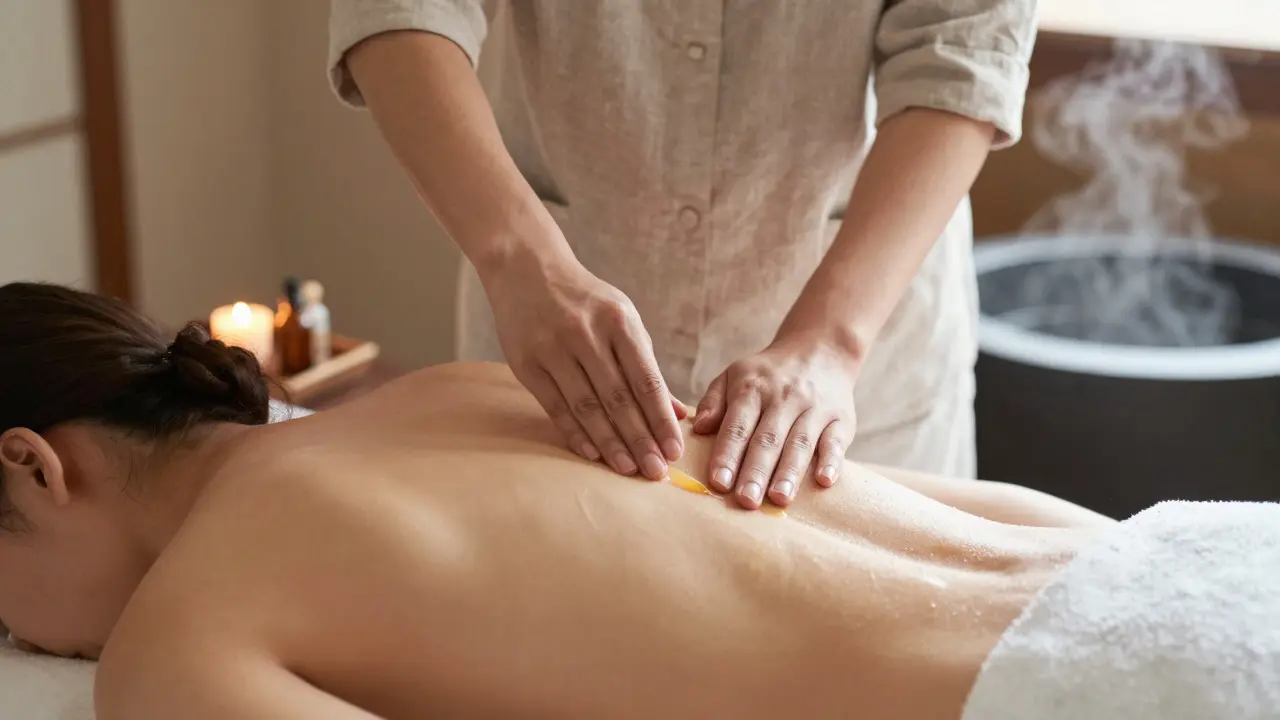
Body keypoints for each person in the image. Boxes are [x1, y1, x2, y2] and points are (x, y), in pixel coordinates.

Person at [0, 283, 1111, 718]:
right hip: (1155, 567)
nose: (15, 635)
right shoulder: (452, 390)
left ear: (33, 466)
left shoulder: (174, 647)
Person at [327, 1, 1039, 509]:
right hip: (551, 327)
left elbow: (964, 46)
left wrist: (831, 341)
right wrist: (519, 258)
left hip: (869, 342)